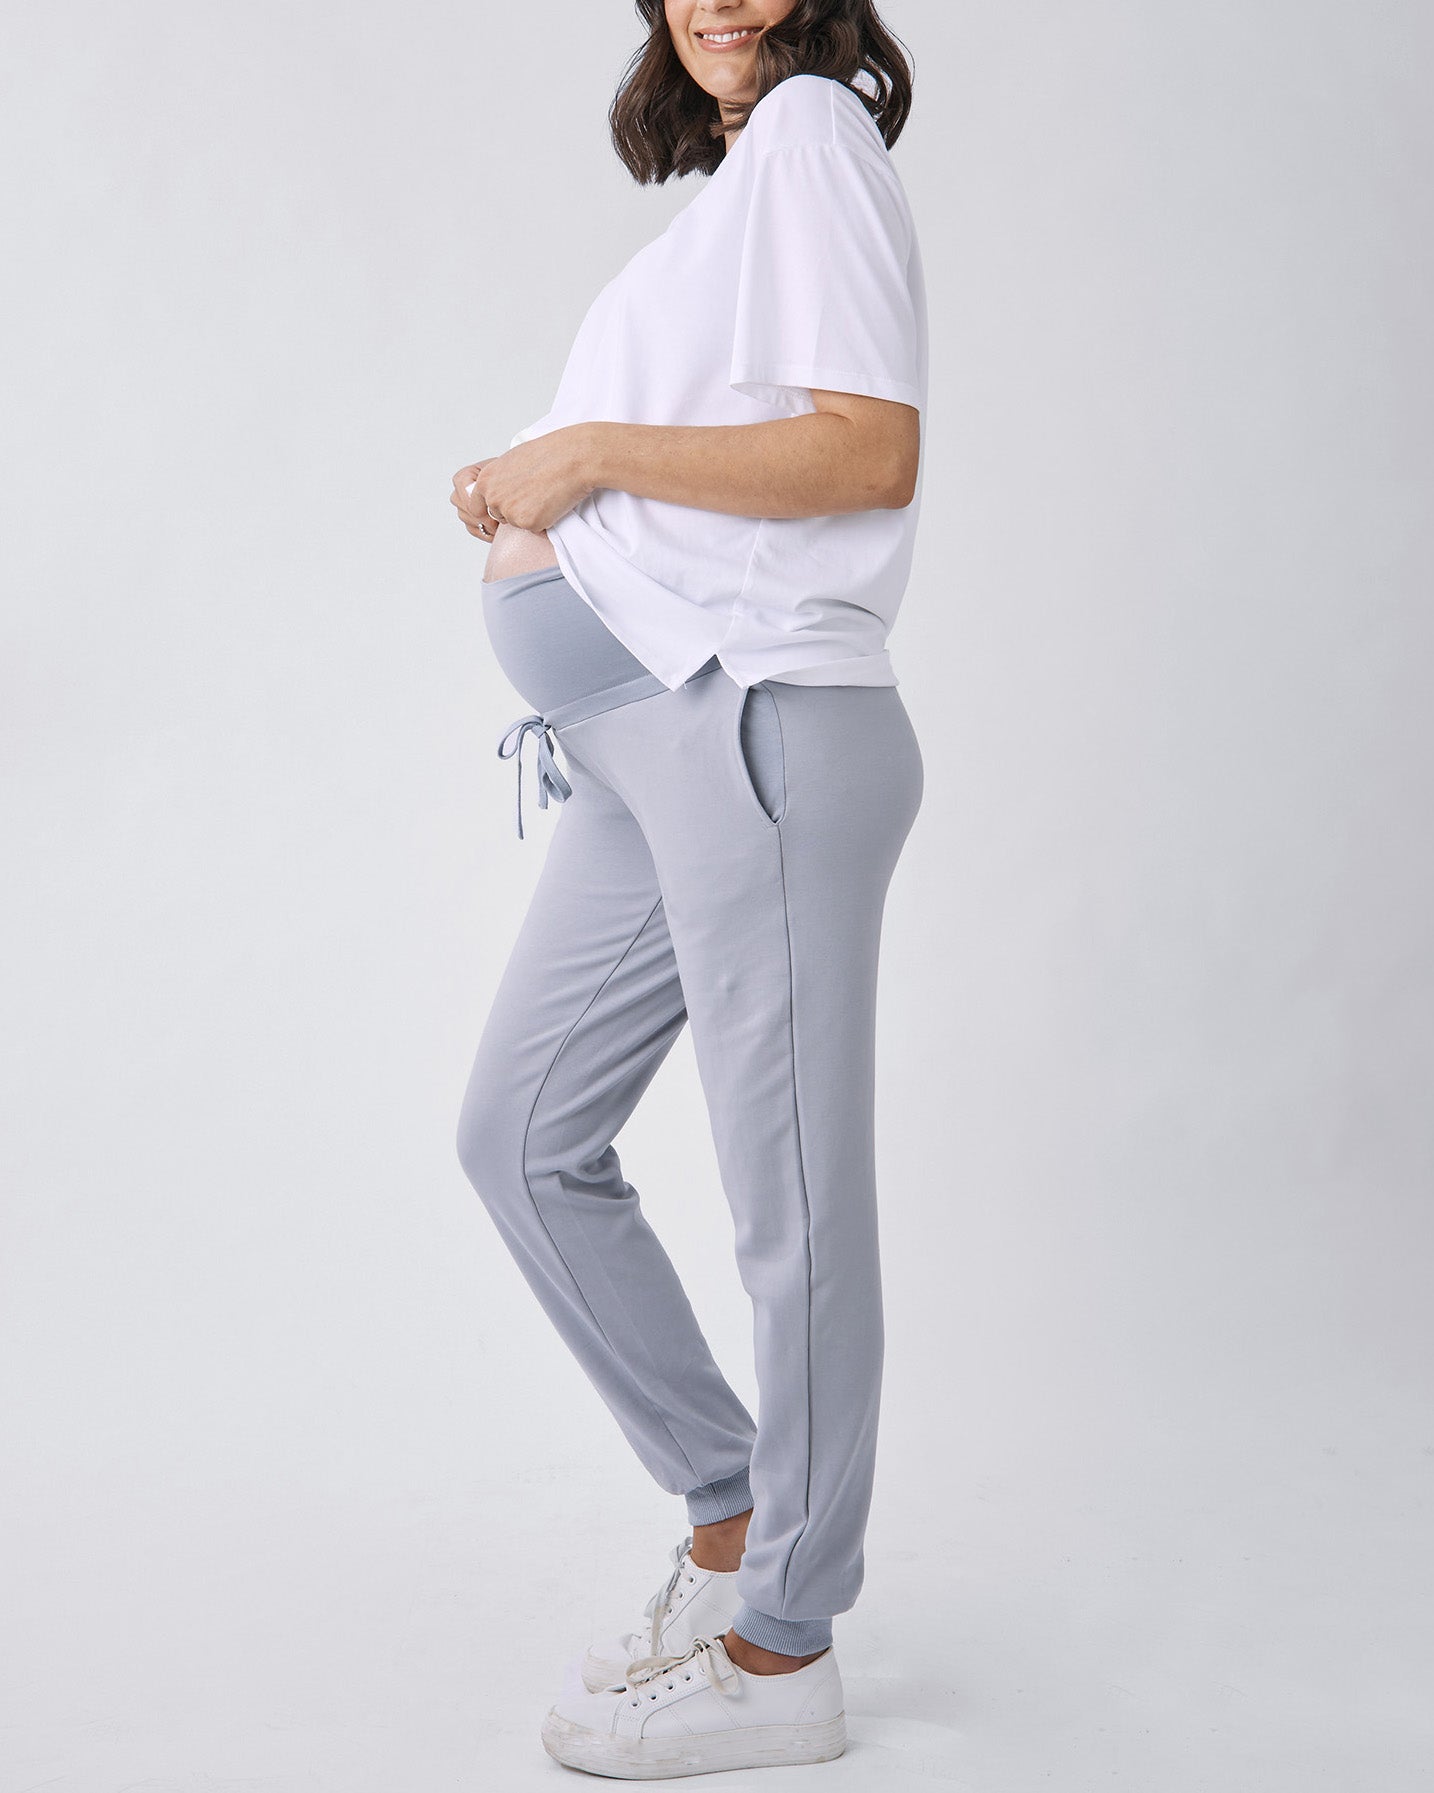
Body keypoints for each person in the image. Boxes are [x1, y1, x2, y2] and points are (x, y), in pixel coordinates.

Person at [449, 0, 926, 1776]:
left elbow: (864, 449)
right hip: (643, 735)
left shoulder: (812, 131)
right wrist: (529, 503)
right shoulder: (737, 189)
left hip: (754, 724)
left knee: (789, 1202)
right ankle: (730, 1513)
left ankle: (784, 1642)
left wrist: (575, 460)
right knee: (520, 1136)